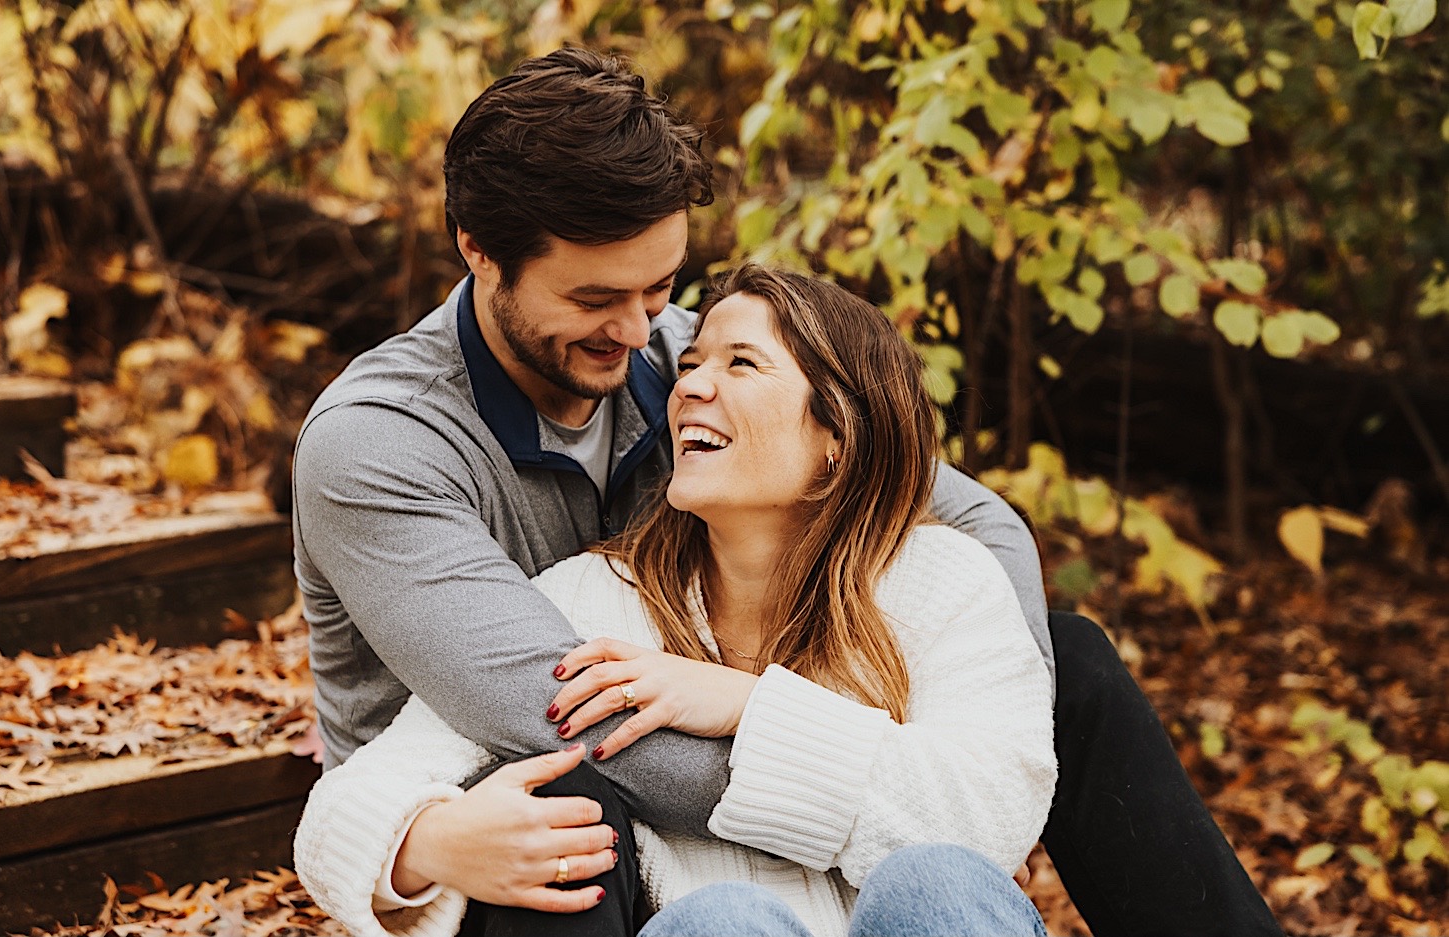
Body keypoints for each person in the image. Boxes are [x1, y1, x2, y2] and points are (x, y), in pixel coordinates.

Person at [290, 48, 1283, 937]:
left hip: (736, 724)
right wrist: (862, 770)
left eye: (660, 287)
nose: (645, 338)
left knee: (1064, 664)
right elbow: (567, 713)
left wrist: (977, 716)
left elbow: (967, 515)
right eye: (596, 298)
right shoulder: (379, 444)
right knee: (595, 816)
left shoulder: (686, 357)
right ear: (477, 249)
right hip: (507, 790)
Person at [296, 264, 1057, 937]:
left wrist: (748, 705)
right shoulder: (593, 599)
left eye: (742, 364)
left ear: (838, 435)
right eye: (691, 364)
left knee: (938, 882)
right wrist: (427, 842)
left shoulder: (942, 580)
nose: (690, 384)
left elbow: (989, 819)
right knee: (725, 921)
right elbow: (338, 814)